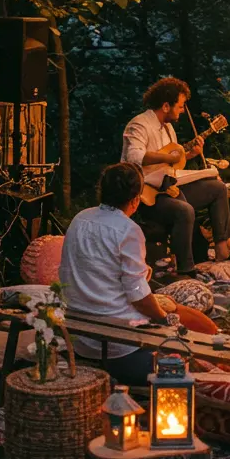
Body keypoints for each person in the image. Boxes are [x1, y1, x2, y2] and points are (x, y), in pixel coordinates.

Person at [59, 162, 172, 385]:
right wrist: (163, 320)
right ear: (135, 200)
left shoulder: (79, 218)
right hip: (118, 346)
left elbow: (85, 270)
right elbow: (138, 296)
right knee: (180, 358)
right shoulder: (128, 230)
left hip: (79, 337)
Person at [122, 76, 230, 276]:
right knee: (184, 210)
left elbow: (171, 165)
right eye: (180, 106)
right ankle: (186, 270)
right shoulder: (139, 125)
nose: (182, 110)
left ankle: (222, 247)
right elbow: (134, 156)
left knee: (217, 188)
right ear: (166, 106)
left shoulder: (169, 129)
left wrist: (189, 155)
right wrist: (169, 157)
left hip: (168, 188)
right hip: (145, 196)